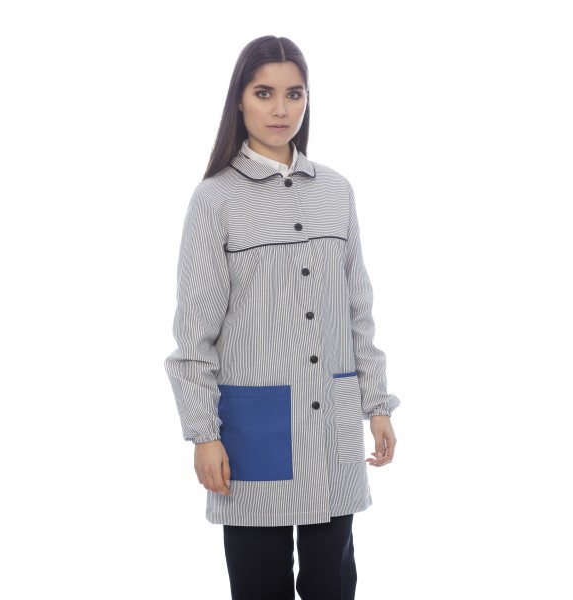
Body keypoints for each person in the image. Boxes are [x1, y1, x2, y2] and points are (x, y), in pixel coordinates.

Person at [164, 35, 401, 600]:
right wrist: (203, 434)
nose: (280, 109)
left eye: (294, 94)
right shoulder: (215, 199)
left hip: (332, 427)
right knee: (259, 586)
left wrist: (376, 405)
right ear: (239, 100)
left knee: (333, 584)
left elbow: (358, 310)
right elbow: (195, 335)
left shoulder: (336, 192)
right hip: (253, 432)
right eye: (264, 93)